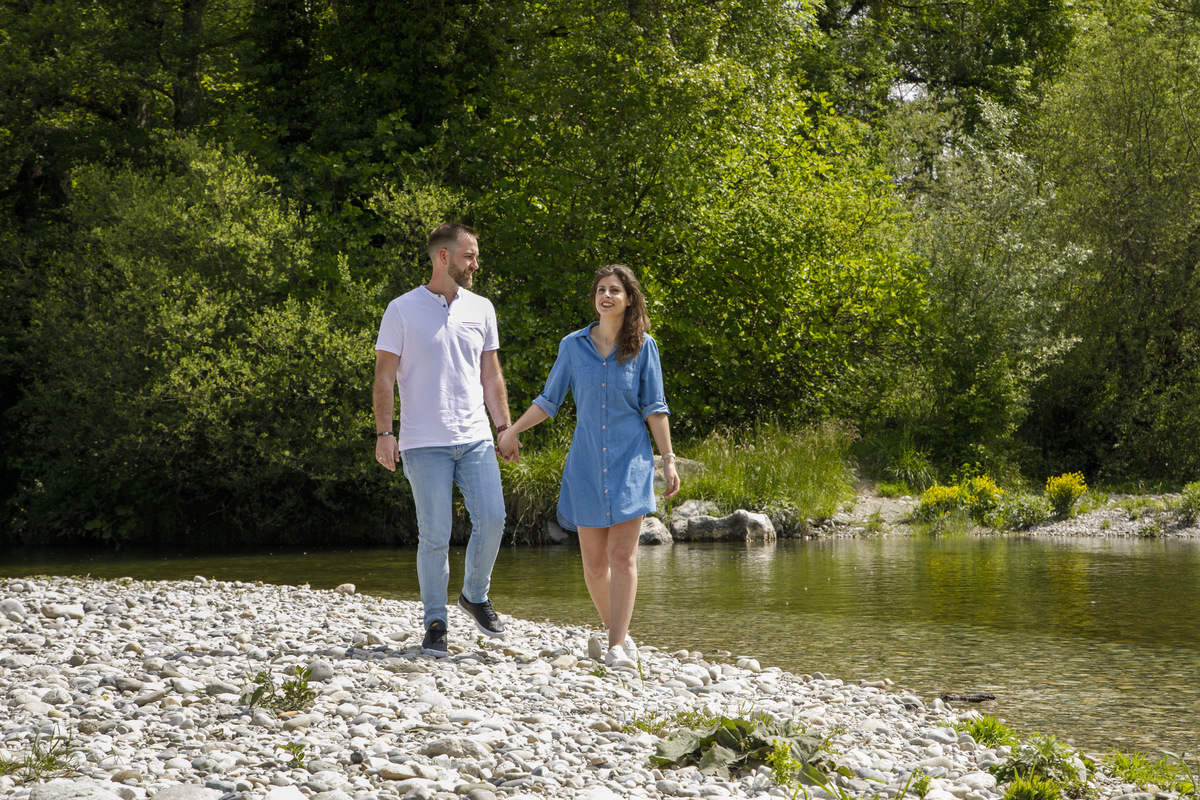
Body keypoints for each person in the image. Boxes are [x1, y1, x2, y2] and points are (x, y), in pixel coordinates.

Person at [498, 265, 680, 668]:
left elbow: (655, 407)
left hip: (630, 461)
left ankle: (615, 646)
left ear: (629, 299)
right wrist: (511, 430)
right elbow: (549, 399)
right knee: (595, 565)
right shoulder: (572, 346)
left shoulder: (643, 347)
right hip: (585, 464)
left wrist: (667, 460)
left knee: (622, 557)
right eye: (601, 290)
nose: (607, 296)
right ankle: (621, 632)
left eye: (615, 290)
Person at [373, 222, 518, 658]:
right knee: (435, 536)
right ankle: (435, 622)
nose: (476, 263)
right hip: (422, 441)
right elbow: (383, 377)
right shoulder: (401, 309)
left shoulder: (482, 308)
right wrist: (385, 433)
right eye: (469, 256)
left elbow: (490, 374)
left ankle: (475, 594)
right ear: (443, 257)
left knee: (493, 519)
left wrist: (504, 427)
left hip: (474, 436)